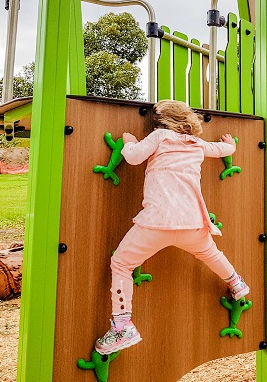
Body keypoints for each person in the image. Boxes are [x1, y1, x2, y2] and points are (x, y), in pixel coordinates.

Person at [95, 100, 249, 355]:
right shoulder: (197, 144)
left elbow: (133, 158)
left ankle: (123, 325)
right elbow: (220, 149)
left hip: (158, 222)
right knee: (210, 253)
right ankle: (236, 282)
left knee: (121, 264)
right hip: (192, 222)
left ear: (162, 122)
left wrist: (130, 140)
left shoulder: (160, 136)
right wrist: (231, 145)